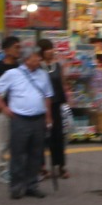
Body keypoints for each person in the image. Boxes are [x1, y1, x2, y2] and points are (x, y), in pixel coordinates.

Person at [0, 45, 54, 199]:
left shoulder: (43, 75)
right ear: (26, 59)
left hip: (38, 119)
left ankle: (32, 185)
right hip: (20, 119)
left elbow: (47, 96)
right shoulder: (13, 74)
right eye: (35, 57)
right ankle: (16, 186)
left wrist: (48, 117)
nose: (39, 59)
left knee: (36, 154)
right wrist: (2, 107)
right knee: (18, 154)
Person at [0, 36, 22, 183]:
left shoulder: (21, 66)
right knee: (3, 143)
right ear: (7, 50)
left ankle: (16, 169)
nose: (19, 50)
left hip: (20, 110)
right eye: (16, 47)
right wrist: (1, 107)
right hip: (5, 110)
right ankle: (2, 170)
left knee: (17, 143)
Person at [39, 40, 69, 180]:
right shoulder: (38, 67)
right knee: (41, 138)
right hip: (41, 107)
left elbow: (63, 84)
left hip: (56, 105)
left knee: (58, 137)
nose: (50, 51)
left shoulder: (58, 65)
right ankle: (42, 168)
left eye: (51, 48)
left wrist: (67, 100)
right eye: (47, 49)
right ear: (41, 51)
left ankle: (61, 166)